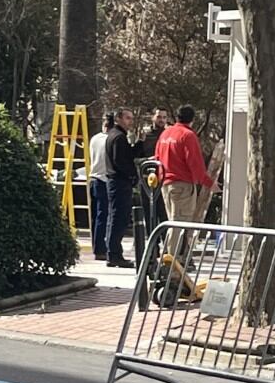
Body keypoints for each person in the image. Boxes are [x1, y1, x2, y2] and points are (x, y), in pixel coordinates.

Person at [155, 104, 218, 254]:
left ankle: (172, 262)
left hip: (165, 184)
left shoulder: (165, 134)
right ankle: (172, 264)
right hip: (182, 185)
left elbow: (157, 158)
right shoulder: (188, 136)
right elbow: (195, 163)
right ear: (192, 120)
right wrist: (209, 183)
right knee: (179, 225)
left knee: (173, 222)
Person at [103, 107, 148, 269]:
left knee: (115, 218)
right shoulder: (118, 137)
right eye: (128, 118)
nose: (130, 121)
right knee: (119, 219)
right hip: (119, 182)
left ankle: (113, 253)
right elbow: (121, 161)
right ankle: (114, 254)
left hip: (117, 182)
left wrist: (140, 143)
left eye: (131, 118)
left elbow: (129, 155)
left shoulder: (116, 136)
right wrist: (131, 175)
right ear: (119, 119)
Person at [87, 113, 113, 261]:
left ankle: (96, 247)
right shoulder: (109, 140)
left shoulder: (95, 138)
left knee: (96, 215)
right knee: (104, 215)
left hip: (94, 177)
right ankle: (102, 249)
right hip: (104, 179)